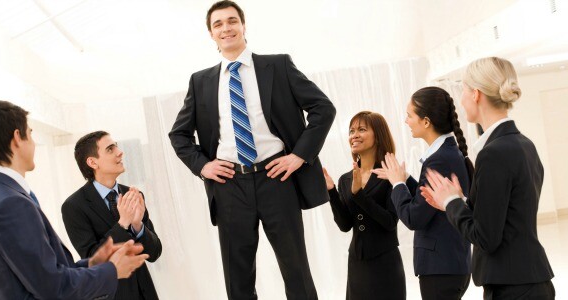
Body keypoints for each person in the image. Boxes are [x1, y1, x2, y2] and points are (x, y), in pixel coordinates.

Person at [168, 1, 335, 299]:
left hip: (277, 179)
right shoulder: (200, 81)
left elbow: (323, 108)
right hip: (230, 185)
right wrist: (203, 166)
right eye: (218, 24)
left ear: (244, 26)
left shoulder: (278, 65)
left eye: (232, 21)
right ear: (211, 34)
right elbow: (179, 134)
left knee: (296, 269)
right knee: (238, 277)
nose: (226, 28)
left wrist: (298, 156)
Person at [422, 57, 555, 299]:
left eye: (463, 90)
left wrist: (452, 204)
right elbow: (506, 216)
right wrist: (457, 201)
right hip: (529, 280)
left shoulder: (493, 153)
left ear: (476, 94)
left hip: (513, 287)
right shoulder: (524, 144)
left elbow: (485, 237)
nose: (460, 99)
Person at [0, 99, 148, 299]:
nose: (33, 143)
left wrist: (93, 263)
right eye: (30, 134)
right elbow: (53, 288)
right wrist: (111, 270)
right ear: (16, 138)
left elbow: (39, 274)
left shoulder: (4, 195)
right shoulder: (11, 203)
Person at [373, 87, 472, 299]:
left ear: (426, 122)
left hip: (440, 268)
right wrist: (404, 177)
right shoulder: (447, 152)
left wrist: (398, 184)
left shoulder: (439, 159)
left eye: (409, 115)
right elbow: (428, 199)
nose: (406, 121)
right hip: (451, 265)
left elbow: (413, 217)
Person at [62, 131, 163, 299]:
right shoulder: (73, 206)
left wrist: (138, 226)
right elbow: (92, 260)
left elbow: (154, 253)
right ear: (92, 162)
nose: (119, 152)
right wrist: (123, 224)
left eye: (116, 146)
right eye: (110, 149)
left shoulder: (133, 195)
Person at [323, 111, 405, 300]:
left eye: (361, 129)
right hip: (357, 264)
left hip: (385, 263)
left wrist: (359, 195)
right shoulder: (346, 179)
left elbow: (390, 221)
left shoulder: (391, 174)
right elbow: (345, 225)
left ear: (378, 136)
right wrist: (332, 192)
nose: (354, 135)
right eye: (351, 131)